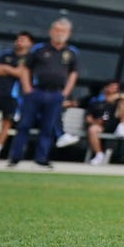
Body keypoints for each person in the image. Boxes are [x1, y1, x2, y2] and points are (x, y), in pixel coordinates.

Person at [6, 17, 79, 168]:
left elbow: (73, 73)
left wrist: (65, 92)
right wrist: (27, 88)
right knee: (24, 125)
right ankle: (15, 157)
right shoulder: (39, 49)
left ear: (68, 33)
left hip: (55, 94)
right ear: (51, 31)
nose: (60, 33)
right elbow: (26, 69)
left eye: (63, 31)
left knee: (48, 127)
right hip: (36, 92)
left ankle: (41, 158)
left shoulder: (71, 52)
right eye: (57, 30)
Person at [0, 31, 34, 158]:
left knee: (7, 122)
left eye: (23, 40)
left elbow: (22, 74)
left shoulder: (31, 58)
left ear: (30, 43)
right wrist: (11, 70)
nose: (19, 42)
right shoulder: (5, 55)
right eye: (18, 39)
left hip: (13, 96)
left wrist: (5, 69)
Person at [82, 79, 124, 165]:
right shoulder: (96, 101)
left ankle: (122, 125)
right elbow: (88, 117)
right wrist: (95, 122)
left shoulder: (119, 100)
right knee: (92, 129)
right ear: (106, 88)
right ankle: (99, 155)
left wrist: (118, 96)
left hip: (114, 125)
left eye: (116, 88)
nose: (115, 89)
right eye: (112, 87)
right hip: (101, 126)